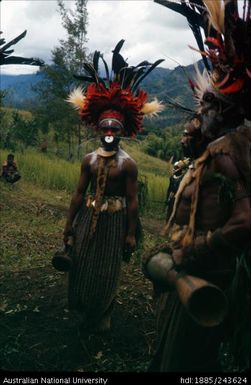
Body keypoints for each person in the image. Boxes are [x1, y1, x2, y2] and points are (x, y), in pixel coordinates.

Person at [143, 0, 251, 372]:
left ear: (222, 109)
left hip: (208, 274)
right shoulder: (220, 151)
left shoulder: (226, 153)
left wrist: (193, 252)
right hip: (201, 270)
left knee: (185, 360)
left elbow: (243, 222)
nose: (197, 113)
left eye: (205, 104)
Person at [62, 40, 164, 332]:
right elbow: (79, 193)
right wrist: (69, 224)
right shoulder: (89, 160)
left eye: (114, 129)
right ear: (98, 129)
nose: (108, 132)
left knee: (107, 268)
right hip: (86, 218)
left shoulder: (128, 164)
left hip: (114, 221)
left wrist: (130, 233)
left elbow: (133, 201)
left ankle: (103, 312)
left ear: (122, 132)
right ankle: (83, 307)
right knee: (81, 261)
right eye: (105, 128)